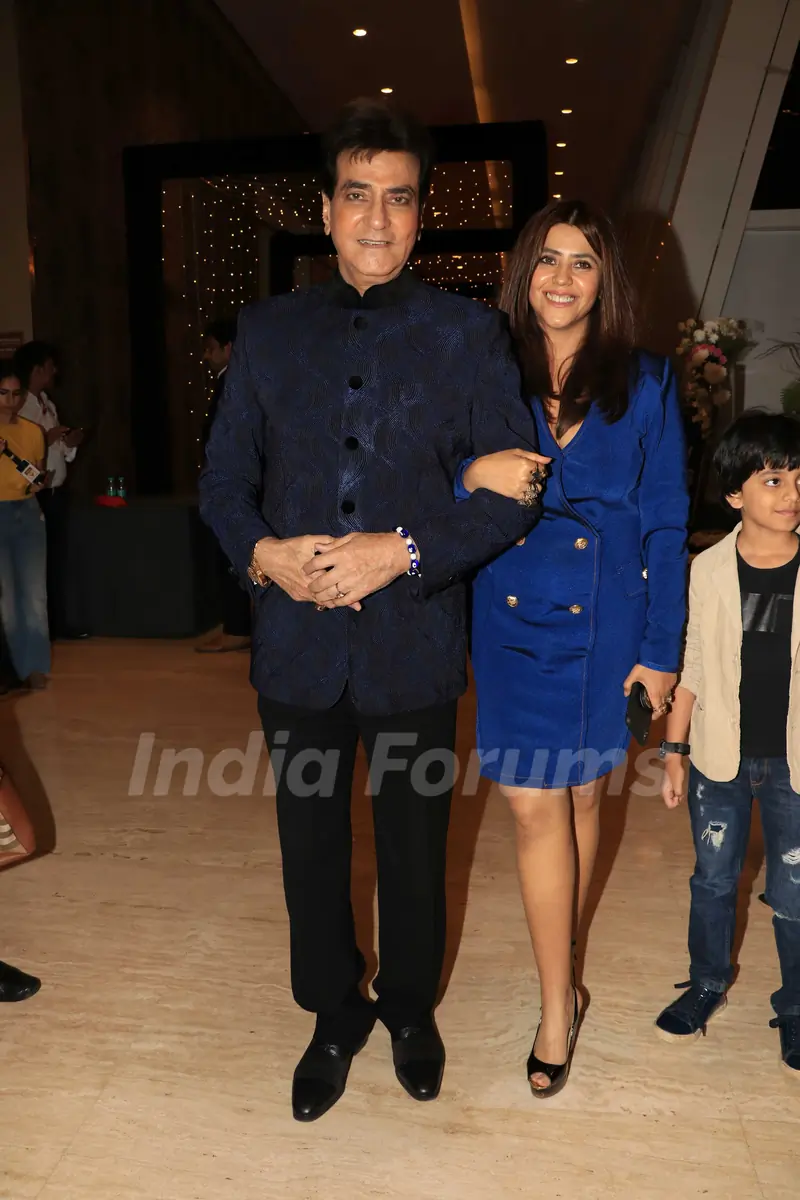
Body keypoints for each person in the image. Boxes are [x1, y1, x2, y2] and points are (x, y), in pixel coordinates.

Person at [199, 98, 547, 1122]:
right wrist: (261, 552)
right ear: (326, 209)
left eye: (398, 199)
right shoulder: (267, 331)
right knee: (309, 847)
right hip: (296, 646)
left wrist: (400, 550)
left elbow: (512, 492)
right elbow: (223, 481)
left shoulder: (469, 334)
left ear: (421, 214)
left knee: (412, 848)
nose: (377, 219)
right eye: (358, 196)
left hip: (413, 645)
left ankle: (407, 1008)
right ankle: (330, 1012)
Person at [457, 199, 689, 1096]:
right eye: (548, 259)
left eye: (582, 262)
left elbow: (665, 523)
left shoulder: (648, 381)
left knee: (585, 795)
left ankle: (568, 947)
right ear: (523, 273)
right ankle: (559, 1003)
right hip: (511, 619)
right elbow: (430, 469)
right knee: (532, 807)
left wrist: (661, 652)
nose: (562, 277)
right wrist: (471, 471)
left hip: (608, 624)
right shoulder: (484, 366)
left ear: (605, 281)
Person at [657, 411, 800, 1075]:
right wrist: (674, 753)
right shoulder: (709, 568)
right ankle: (707, 981)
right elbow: (691, 664)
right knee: (714, 879)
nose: (791, 494)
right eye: (774, 480)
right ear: (735, 494)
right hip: (720, 758)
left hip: (794, 764)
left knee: (794, 891)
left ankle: (795, 1004)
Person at [15, 341, 84, 640]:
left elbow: (58, 451)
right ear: (37, 369)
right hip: (34, 494)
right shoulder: (20, 406)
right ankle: (38, 626)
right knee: (35, 563)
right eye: (50, 365)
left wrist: (68, 444)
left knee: (56, 560)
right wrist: (45, 438)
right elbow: (16, 453)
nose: (55, 371)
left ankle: (57, 623)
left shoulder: (46, 402)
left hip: (56, 492)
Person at [196, 319, 251, 654]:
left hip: (234, 484)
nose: (206, 356)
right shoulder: (237, 380)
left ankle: (237, 627)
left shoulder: (234, 383)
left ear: (228, 347)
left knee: (231, 553)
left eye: (210, 348)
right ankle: (234, 621)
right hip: (233, 481)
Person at [0, 364, 50, 690]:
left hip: (27, 510)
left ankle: (34, 666)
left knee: (34, 594)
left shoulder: (32, 431)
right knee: (7, 597)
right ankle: (14, 668)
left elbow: (39, 478)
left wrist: (36, 479)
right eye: (3, 393)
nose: (11, 400)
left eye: (16, 393)